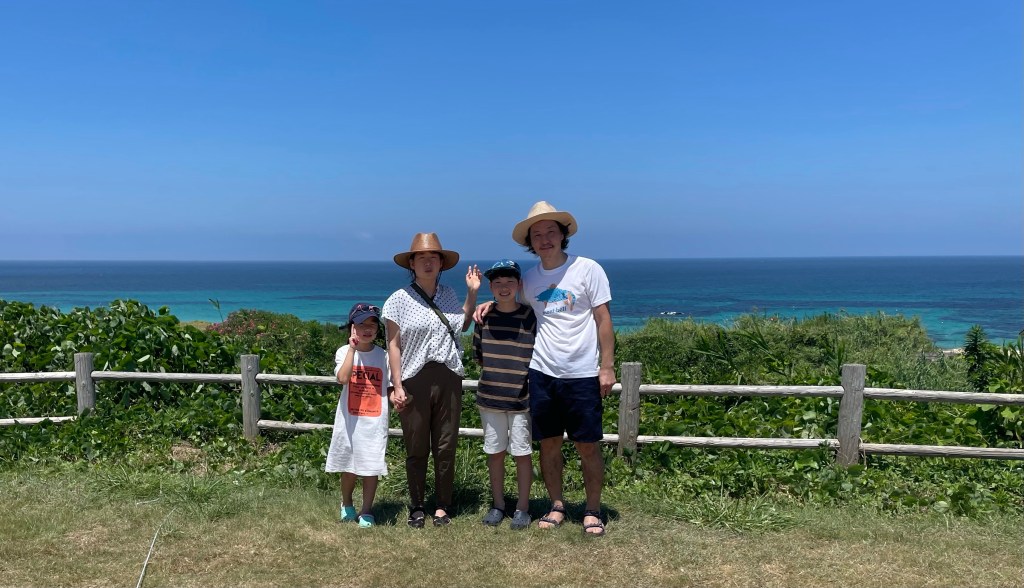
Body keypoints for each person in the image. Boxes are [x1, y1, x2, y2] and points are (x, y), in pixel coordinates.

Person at [476, 201, 615, 536]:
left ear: (563, 235)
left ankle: (592, 509)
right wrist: (489, 303)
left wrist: (607, 366)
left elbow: (603, 319)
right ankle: (557, 505)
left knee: (587, 445)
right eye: (537, 234)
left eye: (551, 231)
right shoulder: (529, 279)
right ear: (530, 242)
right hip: (541, 372)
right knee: (548, 443)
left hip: (582, 372)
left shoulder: (588, 269)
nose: (544, 239)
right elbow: (511, 301)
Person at [383, 232, 481, 528]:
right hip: (414, 377)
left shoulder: (448, 294)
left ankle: (442, 505)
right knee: (416, 446)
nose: (428, 263)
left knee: (445, 444)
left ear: (441, 264)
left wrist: (472, 294)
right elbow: (393, 345)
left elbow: (461, 326)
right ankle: (416, 506)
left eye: (433, 258)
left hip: (449, 375)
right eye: (422, 258)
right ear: (411, 264)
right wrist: (396, 385)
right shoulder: (398, 300)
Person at [473, 259, 537, 530]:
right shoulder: (483, 317)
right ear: (490, 287)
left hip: (522, 398)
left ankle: (522, 507)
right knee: (495, 452)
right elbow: (478, 355)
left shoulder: (531, 316)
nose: (504, 287)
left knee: (522, 453)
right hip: (490, 396)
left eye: (510, 281)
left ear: (519, 285)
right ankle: (498, 504)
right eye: (497, 282)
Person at [325, 302, 391, 528]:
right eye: (362, 324)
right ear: (352, 327)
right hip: (350, 421)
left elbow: (390, 386)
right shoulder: (343, 352)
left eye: (372, 324)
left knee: (371, 467)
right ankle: (346, 503)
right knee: (349, 466)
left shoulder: (384, 356)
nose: (367, 329)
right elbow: (343, 378)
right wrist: (352, 350)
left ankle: (367, 510)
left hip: (375, 421)